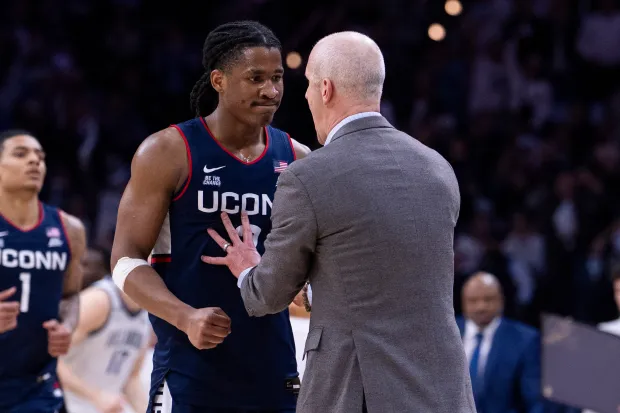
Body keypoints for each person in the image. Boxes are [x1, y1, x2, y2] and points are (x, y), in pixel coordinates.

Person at [201, 31, 475, 413]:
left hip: (358, 394)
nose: (307, 96)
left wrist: (249, 268)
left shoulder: (308, 177)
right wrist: (318, 291)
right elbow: (394, 277)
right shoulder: (437, 168)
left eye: (310, 85)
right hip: (445, 392)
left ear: (326, 89)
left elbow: (268, 296)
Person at [110, 20, 310, 413]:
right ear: (218, 80)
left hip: (275, 365)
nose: (271, 91)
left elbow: (311, 264)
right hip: (189, 367)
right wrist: (185, 317)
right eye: (255, 78)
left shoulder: (298, 159)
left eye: (277, 78)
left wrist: (305, 286)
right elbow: (124, 261)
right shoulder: (167, 152)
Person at [0, 129, 86, 412]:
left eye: (40, 157)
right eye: (21, 154)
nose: (35, 162)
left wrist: (68, 327)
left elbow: (71, 296)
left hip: (37, 387)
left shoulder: (69, 229)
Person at [58, 247, 151, 413]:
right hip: (67, 404)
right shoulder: (99, 301)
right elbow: (52, 359)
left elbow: (131, 378)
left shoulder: (148, 312)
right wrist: (95, 396)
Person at [456, 272, 544, 413]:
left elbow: (534, 400)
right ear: (462, 302)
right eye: (473, 300)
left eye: (488, 299)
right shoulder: (448, 334)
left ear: (501, 300)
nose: (481, 307)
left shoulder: (525, 340)